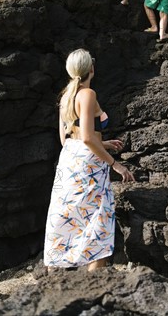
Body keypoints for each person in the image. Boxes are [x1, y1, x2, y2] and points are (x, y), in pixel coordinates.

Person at [44, 49, 134, 272]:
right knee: (98, 221)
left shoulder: (66, 95)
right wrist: (116, 164)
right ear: (91, 69)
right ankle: (93, 284)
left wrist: (102, 143)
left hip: (69, 160)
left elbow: (67, 137)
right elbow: (86, 136)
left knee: (72, 217)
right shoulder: (87, 94)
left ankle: (71, 275)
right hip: (88, 163)